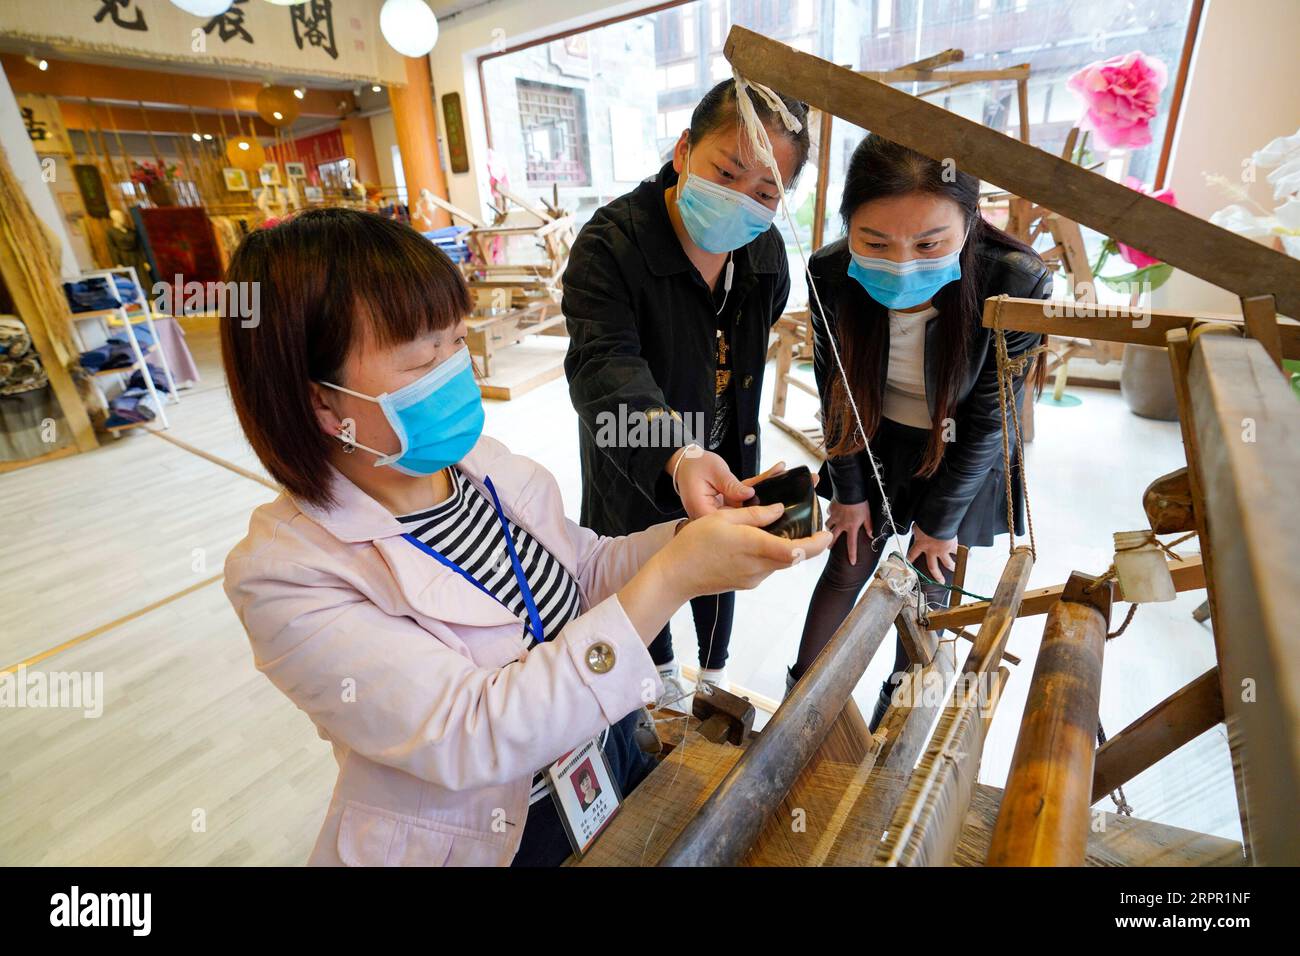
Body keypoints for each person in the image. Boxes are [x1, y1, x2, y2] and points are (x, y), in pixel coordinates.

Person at [218, 208, 829, 867]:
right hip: (501, 836)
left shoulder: (477, 467)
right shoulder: (286, 574)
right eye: (423, 357)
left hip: (607, 756)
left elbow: (583, 571)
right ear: (320, 403)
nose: (454, 370)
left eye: (455, 341)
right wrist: (675, 575)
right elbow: (475, 733)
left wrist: (693, 538)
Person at [790, 134, 1051, 727]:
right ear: (847, 223)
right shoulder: (829, 273)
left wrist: (940, 523)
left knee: (929, 590)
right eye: (875, 242)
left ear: (970, 223)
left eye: (929, 243)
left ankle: (894, 731)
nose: (901, 263)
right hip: (871, 443)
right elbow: (838, 393)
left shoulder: (1016, 281)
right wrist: (851, 492)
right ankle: (799, 712)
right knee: (847, 564)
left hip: (962, 453)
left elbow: (991, 419)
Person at [563, 78, 811, 703]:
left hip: (727, 449)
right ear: (682, 152)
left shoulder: (764, 250)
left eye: (764, 192)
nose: (740, 202)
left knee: (721, 562)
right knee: (648, 573)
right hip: (639, 458)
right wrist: (676, 454)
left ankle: (716, 674)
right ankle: (659, 682)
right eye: (726, 172)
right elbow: (603, 365)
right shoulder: (611, 245)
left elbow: (759, 324)